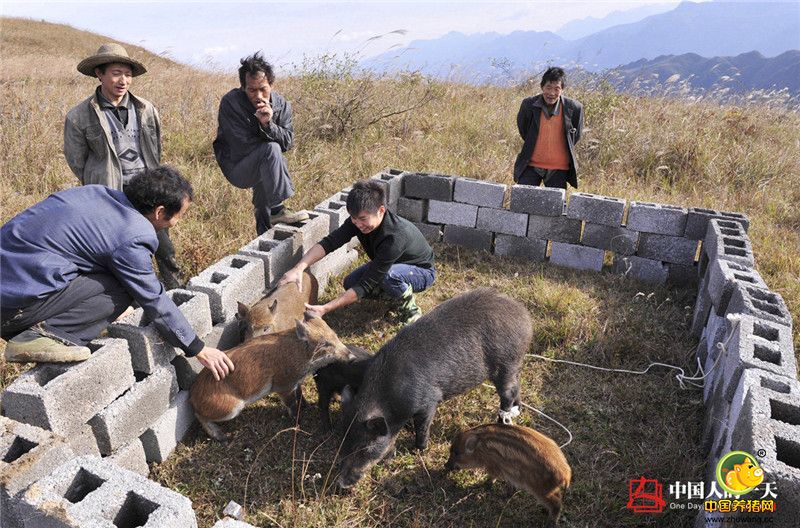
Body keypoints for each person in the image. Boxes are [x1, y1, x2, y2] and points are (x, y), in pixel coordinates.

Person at [1, 166, 234, 381]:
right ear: (160, 212)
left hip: (13, 281)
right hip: (14, 309)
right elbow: (153, 297)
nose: (177, 223)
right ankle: (42, 335)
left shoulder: (95, 193)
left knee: (118, 278)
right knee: (125, 287)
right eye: (178, 216)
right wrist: (196, 347)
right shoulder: (134, 233)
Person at [64, 43, 184, 290]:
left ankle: (175, 288)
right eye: (117, 73)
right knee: (118, 249)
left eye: (128, 74)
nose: (124, 80)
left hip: (148, 190)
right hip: (110, 195)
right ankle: (129, 297)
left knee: (163, 244)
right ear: (100, 73)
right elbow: (77, 162)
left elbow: (155, 149)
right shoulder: (79, 116)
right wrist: (102, 179)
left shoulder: (146, 109)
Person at [279, 180, 436, 325]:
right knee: (350, 283)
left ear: (381, 210)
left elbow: (365, 285)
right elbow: (329, 243)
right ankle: (394, 295)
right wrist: (298, 268)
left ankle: (411, 312)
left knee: (388, 276)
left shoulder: (395, 236)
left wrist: (325, 308)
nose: (359, 225)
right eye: (354, 220)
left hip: (421, 271)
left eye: (363, 219)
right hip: (391, 264)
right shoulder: (357, 221)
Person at [213, 51, 308, 235]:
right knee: (271, 150)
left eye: (263, 88)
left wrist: (268, 124)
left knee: (269, 167)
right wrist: (263, 128)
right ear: (243, 87)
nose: (258, 95)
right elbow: (240, 146)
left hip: (267, 164)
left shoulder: (281, 105)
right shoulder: (231, 103)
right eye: (251, 90)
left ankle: (266, 234)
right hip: (237, 166)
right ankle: (278, 210)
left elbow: (288, 142)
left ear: (271, 85)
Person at [513, 66, 584, 190]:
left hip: (559, 169)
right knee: (521, 202)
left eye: (557, 89)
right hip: (531, 165)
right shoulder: (529, 105)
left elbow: (574, 136)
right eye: (548, 87)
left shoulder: (574, 108)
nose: (552, 93)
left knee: (555, 208)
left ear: (562, 89)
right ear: (542, 87)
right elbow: (524, 130)